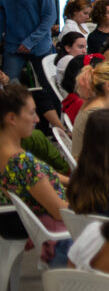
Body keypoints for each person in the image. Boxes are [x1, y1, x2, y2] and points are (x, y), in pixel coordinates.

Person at [0, 82, 72, 266]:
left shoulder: (12, 156)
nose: (38, 119)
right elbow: (60, 211)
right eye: (32, 113)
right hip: (64, 241)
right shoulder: (22, 163)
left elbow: (45, 177)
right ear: (12, 118)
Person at [0, 0, 58, 85]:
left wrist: (30, 41)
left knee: (50, 85)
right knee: (7, 85)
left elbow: (50, 16)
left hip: (39, 46)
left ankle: (56, 107)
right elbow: (1, 18)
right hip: (13, 46)